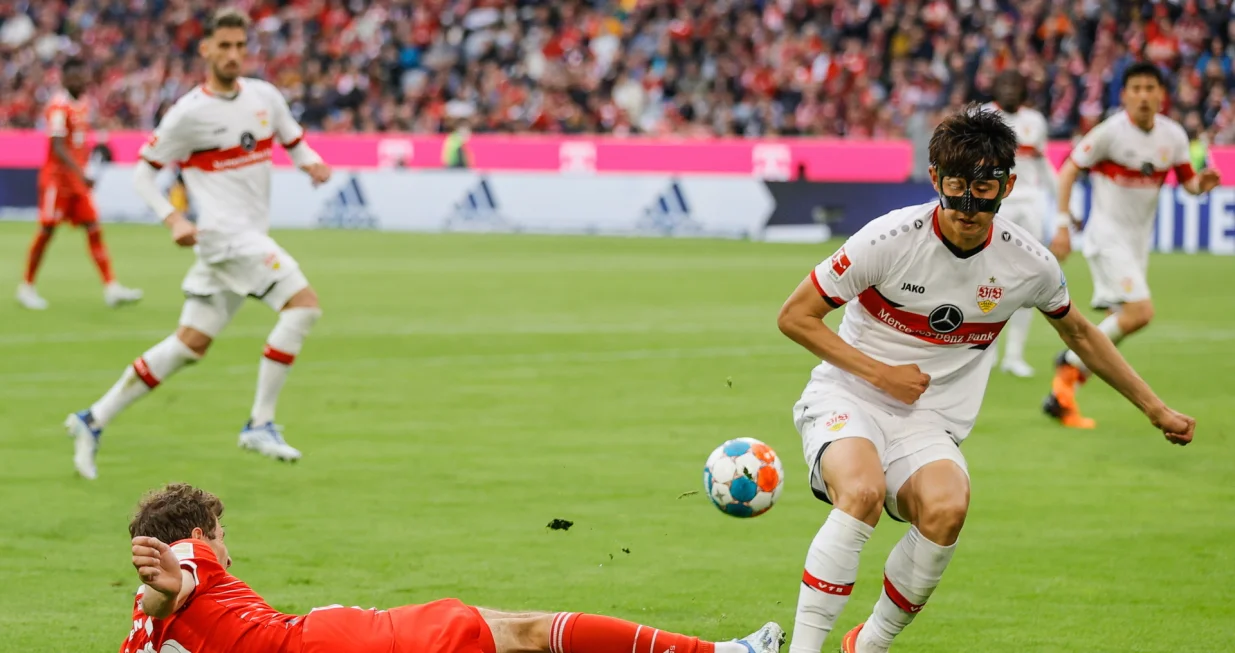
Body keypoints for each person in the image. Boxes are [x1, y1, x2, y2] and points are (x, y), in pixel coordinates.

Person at [775, 106, 1195, 653]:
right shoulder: (887, 239)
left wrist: (1154, 408)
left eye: (985, 187)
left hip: (929, 420)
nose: (969, 206)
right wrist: (883, 373)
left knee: (948, 507)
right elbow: (795, 315)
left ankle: (868, 644)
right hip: (849, 393)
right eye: (956, 188)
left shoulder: (1028, 265)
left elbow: (1084, 336)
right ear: (934, 180)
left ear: (1008, 185)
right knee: (861, 492)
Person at [64, 8, 332, 479]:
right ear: (205, 49)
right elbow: (143, 173)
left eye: (239, 46)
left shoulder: (265, 97)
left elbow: (294, 140)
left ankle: (92, 419)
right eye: (223, 46)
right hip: (224, 237)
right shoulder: (188, 114)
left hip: (245, 237)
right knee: (303, 306)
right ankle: (260, 422)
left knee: (189, 345)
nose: (232, 55)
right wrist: (172, 217)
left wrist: (311, 163)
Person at [122, 483, 785, 653]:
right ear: (200, 534)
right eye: (223, 532)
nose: (227, 544)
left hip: (328, 632)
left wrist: (159, 595)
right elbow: (179, 585)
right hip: (342, 642)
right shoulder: (188, 555)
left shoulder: (142, 618)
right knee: (525, 631)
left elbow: (159, 611)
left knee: (514, 627)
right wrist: (171, 580)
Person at [1046, 62, 1221, 428]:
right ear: (1124, 95)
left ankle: (1062, 396)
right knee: (1140, 312)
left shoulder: (1172, 136)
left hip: (1137, 243)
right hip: (1106, 237)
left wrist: (1201, 184)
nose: (1143, 95)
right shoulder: (1110, 133)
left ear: (1162, 95)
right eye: (1136, 88)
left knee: (1123, 320)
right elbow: (1068, 169)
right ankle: (1068, 364)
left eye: (1150, 88)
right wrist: (1063, 225)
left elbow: (1187, 183)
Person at [18, 56, 142, 310]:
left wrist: (89, 162)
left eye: (83, 75)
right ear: (65, 78)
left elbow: (78, 144)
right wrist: (81, 171)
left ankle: (111, 287)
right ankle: (26, 286)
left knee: (94, 227)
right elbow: (57, 146)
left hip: (76, 180)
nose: (82, 80)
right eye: (76, 76)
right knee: (47, 231)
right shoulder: (58, 106)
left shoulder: (83, 105)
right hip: (57, 179)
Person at [983, 70, 1056, 378]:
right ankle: (986, 352)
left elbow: (1042, 162)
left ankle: (1014, 355)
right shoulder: (984, 115)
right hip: (997, 202)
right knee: (988, 274)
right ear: (996, 86)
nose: (1011, 89)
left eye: (1016, 84)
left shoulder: (1035, 121)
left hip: (1031, 201)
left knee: (1028, 274)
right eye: (1005, 83)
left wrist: (1065, 206)